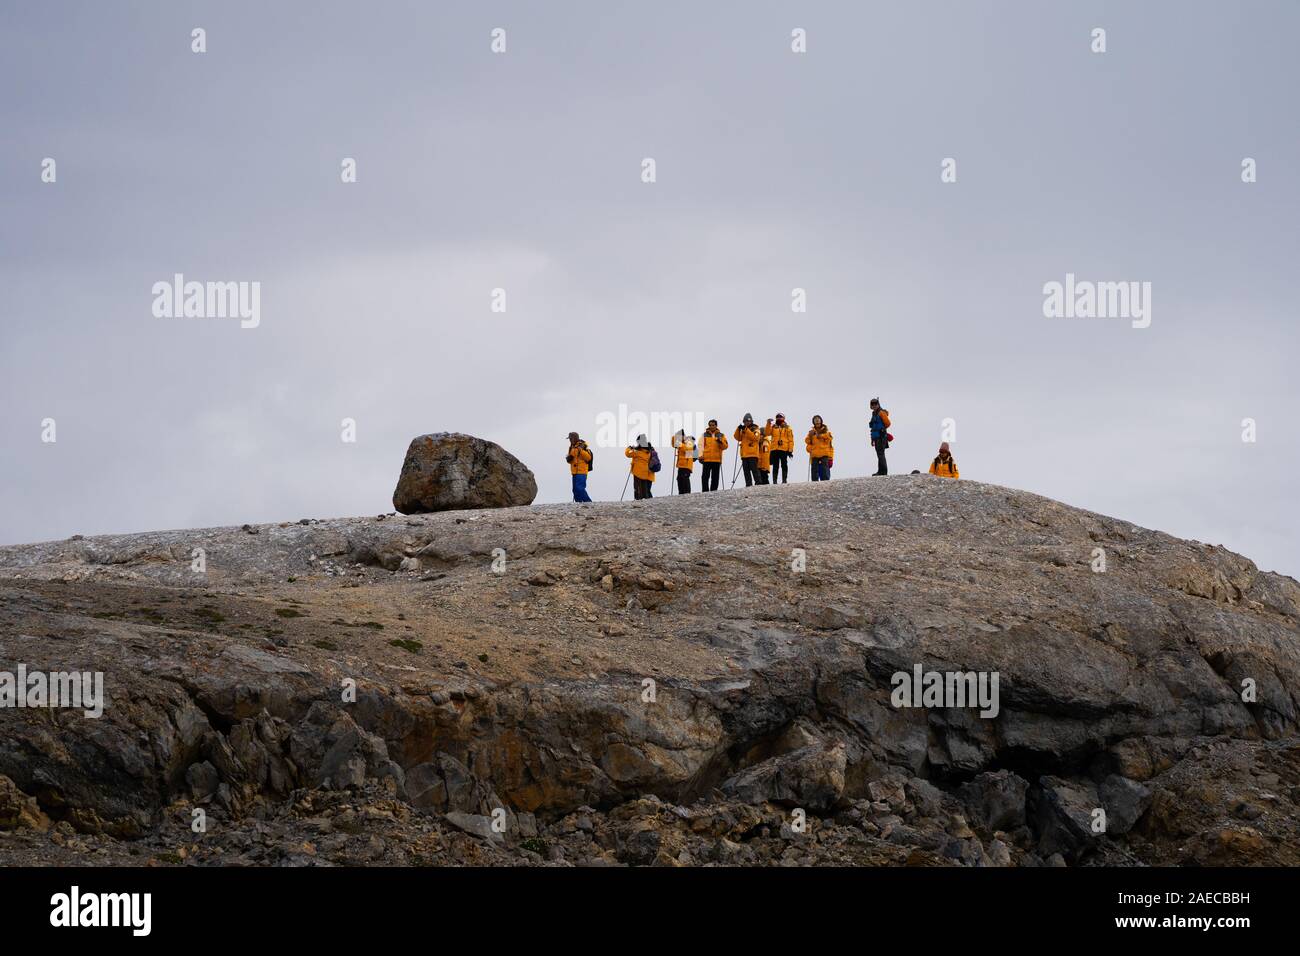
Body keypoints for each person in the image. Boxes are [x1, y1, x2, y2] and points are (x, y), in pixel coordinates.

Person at [764, 413, 794, 484]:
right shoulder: (773, 427)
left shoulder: (788, 428)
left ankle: (784, 480)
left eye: (780, 417)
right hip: (775, 449)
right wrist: (768, 423)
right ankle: (775, 481)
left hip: (784, 449)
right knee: (775, 465)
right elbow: (767, 433)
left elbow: (791, 440)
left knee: (784, 465)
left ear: (784, 418)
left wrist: (790, 450)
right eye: (777, 417)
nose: (779, 418)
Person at [698, 420, 728, 491]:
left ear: (716, 426)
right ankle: (705, 491)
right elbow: (700, 445)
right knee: (705, 477)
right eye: (710, 425)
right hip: (706, 459)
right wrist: (700, 456)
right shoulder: (704, 435)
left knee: (715, 477)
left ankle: (713, 491)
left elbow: (725, 446)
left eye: (713, 425)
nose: (711, 426)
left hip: (716, 459)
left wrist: (720, 442)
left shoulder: (721, 435)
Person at [625, 434, 657, 500]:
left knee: (638, 488)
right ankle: (647, 500)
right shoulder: (649, 451)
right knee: (645, 489)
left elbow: (627, 454)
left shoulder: (637, 452)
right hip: (647, 473)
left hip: (638, 472)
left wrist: (629, 448)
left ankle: (638, 500)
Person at [734, 413, 762, 487]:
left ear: (751, 421)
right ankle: (748, 484)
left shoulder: (756, 429)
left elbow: (755, 438)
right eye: (745, 421)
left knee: (754, 470)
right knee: (746, 471)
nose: (746, 423)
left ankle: (758, 483)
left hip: (753, 454)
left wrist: (746, 430)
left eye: (748, 421)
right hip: (744, 454)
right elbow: (737, 437)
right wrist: (738, 429)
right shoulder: (743, 430)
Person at [565, 431, 594, 502]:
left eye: (570, 439)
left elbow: (588, 458)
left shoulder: (583, 446)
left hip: (582, 472)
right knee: (575, 489)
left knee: (579, 488)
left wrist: (580, 450)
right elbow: (571, 461)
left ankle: (588, 502)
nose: (569, 440)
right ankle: (579, 503)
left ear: (574, 438)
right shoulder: (571, 448)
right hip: (574, 472)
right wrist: (568, 459)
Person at [806, 415, 833, 481]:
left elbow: (829, 443)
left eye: (818, 419)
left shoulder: (826, 432)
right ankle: (814, 485)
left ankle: (825, 484)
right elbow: (807, 442)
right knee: (814, 472)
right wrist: (810, 449)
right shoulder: (811, 433)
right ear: (813, 422)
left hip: (824, 454)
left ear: (821, 421)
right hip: (814, 454)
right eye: (815, 420)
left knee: (825, 471)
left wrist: (820, 436)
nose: (817, 420)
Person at [869, 398, 891, 476]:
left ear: (878, 405)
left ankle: (883, 472)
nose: (874, 406)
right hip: (876, 437)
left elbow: (888, 423)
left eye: (876, 404)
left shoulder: (881, 413)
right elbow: (873, 428)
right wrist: (872, 439)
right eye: (873, 404)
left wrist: (882, 430)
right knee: (879, 454)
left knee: (881, 454)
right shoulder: (874, 414)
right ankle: (880, 471)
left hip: (881, 436)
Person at [671, 429, 698, 493]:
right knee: (679, 479)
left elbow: (687, 449)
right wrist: (674, 437)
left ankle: (687, 493)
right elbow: (673, 444)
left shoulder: (689, 441)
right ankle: (681, 493)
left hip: (686, 464)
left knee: (684, 479)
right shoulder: (681, 443)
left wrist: (680, 444)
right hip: (681, 465)